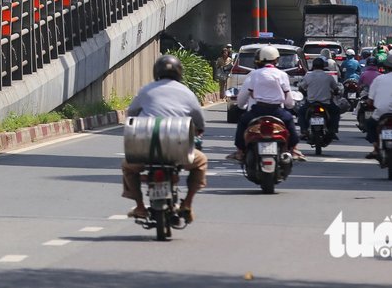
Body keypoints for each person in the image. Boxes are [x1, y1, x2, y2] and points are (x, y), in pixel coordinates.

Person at [122, 54, 208, 224]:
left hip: (145, 149)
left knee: (128, 167)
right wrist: (198, 130)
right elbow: (199, 120)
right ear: (179, 72)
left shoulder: (146, 90)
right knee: (201, 162)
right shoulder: (187, 92)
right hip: (178, 149)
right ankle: (187, 204)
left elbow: (131, 113)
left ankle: (140, 206)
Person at [228, 46, 303, 162]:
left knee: (243, 121)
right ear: (276, 60)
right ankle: (294, 150)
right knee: (289, 122)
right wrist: (290, 106)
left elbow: (247, 94)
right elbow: (288, 100)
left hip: (258, 109)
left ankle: (240, 151)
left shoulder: (254, 74)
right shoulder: (282, 75)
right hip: (277, 111)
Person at [298, 57, 341, 139]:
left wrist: (304, 93)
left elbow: (301, 88)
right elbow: (336, 89)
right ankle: (332, 130)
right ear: (323, 67)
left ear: (313, 66)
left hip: (311, 103)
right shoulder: (328, 77)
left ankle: (304, 130)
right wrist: (336, 93)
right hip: (326, 103)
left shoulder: (308, 77)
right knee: (336, 111)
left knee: (301, 112)